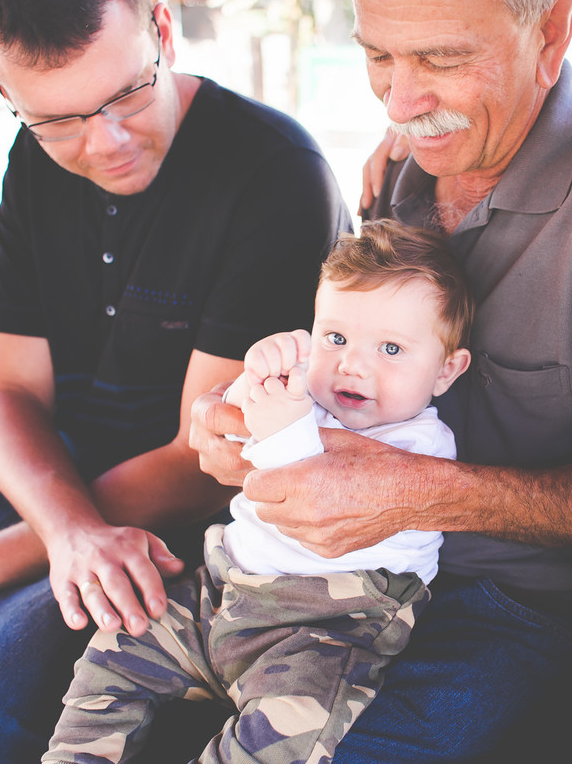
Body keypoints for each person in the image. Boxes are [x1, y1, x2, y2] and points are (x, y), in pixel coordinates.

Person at [0, 0, 350, 762]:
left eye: (128, 94)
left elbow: (198, 463)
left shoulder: (274, 174)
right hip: (42, 483)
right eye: (58, 120)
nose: (105, 143)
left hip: (164, 520)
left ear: (161, 30)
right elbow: (4, 388)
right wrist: (62, 529)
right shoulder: (34, 161)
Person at [189, 0, 572, 759]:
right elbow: (348, 386)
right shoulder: (404, 168)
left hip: (511, 607)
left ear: (550, 36)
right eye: (379, 55)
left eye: (441, 59)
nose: (400, 101)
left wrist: (415, 493)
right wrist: (248, 426)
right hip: (326, 579)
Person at [45, 219, 473, 764]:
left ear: (445, 370)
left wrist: (285, 408)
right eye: (335, 338)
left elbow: (300, 480)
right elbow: (242, 425)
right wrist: (259, 377)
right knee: (114, 653)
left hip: (324, 631)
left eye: (391, 348)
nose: (353, 364)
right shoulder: (312, 394)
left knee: (284, 738)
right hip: (222, 592)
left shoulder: (421, 445)